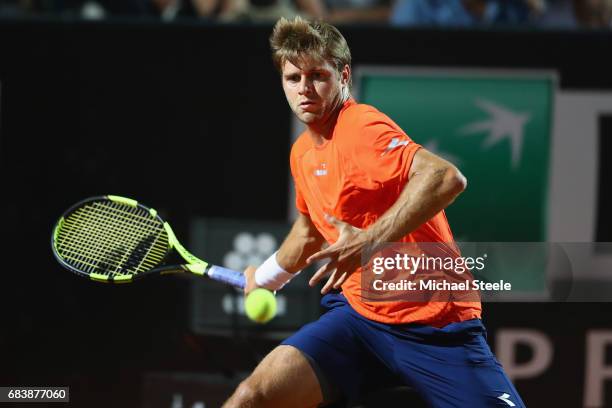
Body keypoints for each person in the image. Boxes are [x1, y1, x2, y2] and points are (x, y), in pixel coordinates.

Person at [223, 17, 525, 408]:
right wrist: (265, 277)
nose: (304, 89)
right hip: (357, 320)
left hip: (434, 325)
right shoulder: (302, 151)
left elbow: (445, 177)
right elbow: (310, 231)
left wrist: (368, 241)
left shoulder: (360, 126)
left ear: (343, 74)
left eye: (317, 75)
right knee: (252, 397)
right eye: (293, 78)